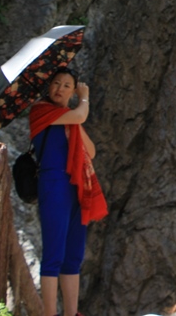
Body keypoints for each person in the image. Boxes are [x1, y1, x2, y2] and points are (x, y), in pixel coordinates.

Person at [28, 69, 108, 316]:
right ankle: (50, 313)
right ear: (48, 86)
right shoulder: (40, 111)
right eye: (56, 83)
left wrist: (77, 117)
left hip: (75, 186)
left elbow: (91, 152)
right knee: (53, 254)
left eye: (66, 86)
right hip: (54, 183)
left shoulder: (70, 119)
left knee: (73, 255)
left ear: (71, 91)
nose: (60, 89)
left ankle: (72, 313)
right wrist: (84, 97)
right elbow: (82, 113)